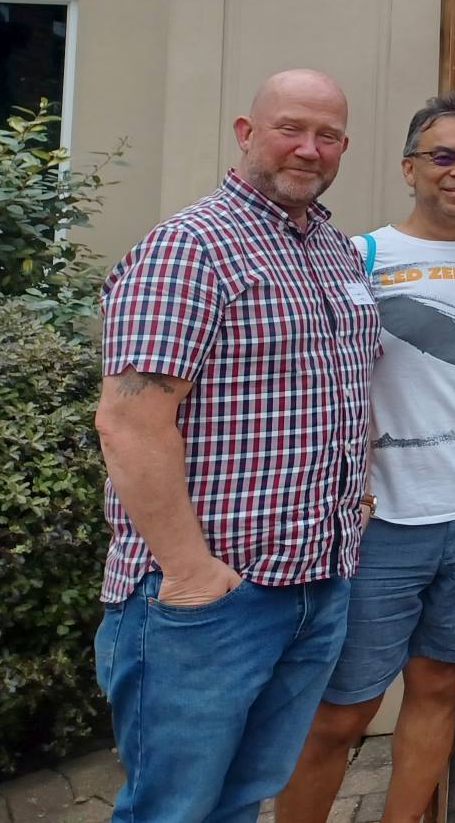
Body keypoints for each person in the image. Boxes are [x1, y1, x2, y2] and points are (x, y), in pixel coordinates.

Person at [92, 69, 378, 823]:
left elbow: (336, 395)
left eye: (327, 135)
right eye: (291, 128)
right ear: (247, 133)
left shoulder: (335, 251)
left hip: (315, 583)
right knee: (171, 810)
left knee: (241, 800)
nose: (309, 148)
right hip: (211, 603)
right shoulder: (190, 248)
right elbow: (129, 422)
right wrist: (191, 574)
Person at [278, 94, 455, 823]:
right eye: (443, 156)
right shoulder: (355, 257)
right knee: (342, 712)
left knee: (440, 688)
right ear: (408, 168)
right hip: (380, 525)